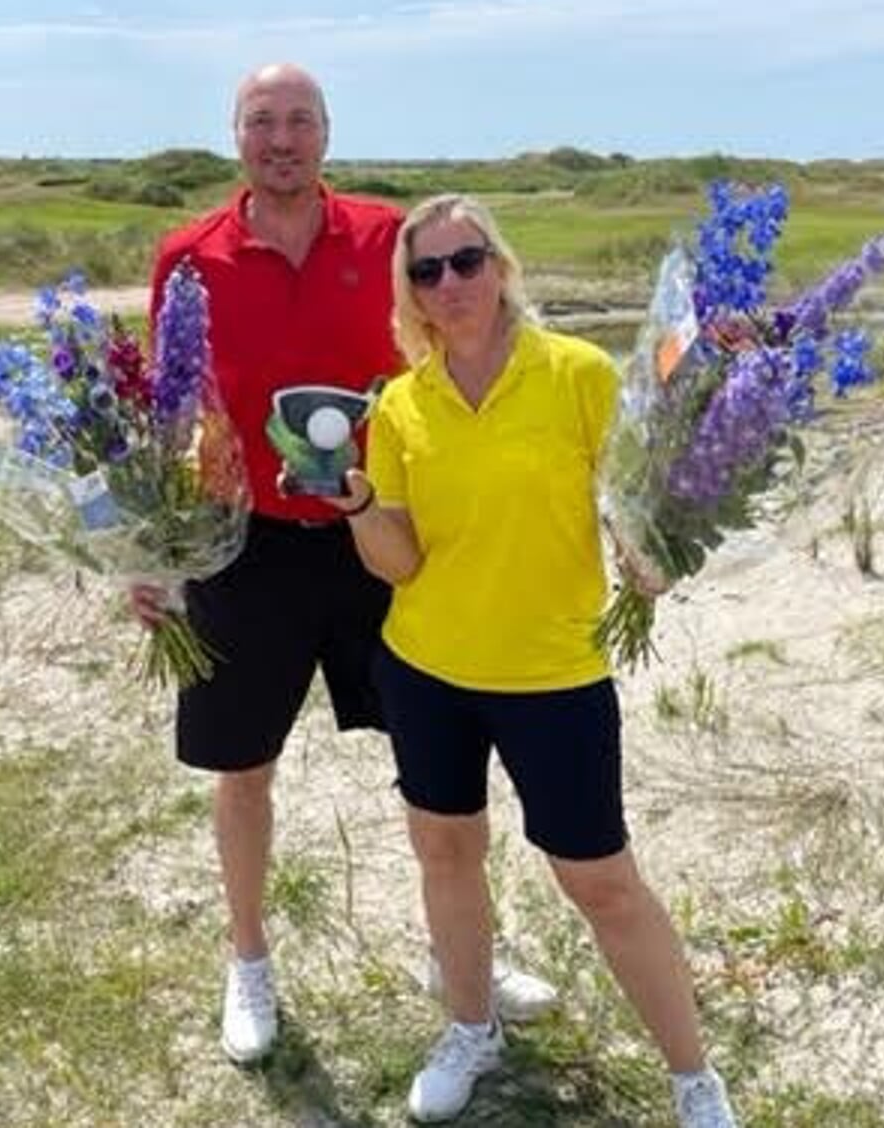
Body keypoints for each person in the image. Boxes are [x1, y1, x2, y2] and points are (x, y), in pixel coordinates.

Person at [135, 64, 556, 1068]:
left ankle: (464, 965)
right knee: (243, 769)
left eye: (300, 122)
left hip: (384, 537)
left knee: (438, 771)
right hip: (245, 546)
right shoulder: (188, 257)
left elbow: (468, 354)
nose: (282, 138)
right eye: (262, 122)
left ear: (327, 134)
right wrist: (151, 554)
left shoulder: (388, 237)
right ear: (236, 136)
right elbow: (165, 408)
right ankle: (248, 964)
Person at [328, 193, 740, 1127]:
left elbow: (637, 502)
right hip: (426, 669)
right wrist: (357, 505)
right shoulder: (400, 404)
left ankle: (692, 1077)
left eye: (465, 261)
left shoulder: (582, 375)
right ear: (412, 295)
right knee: (445, 851)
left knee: (600, 880)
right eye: (425, 272)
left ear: (501, 266)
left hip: (554, 676)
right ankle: (472, 1028)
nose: (450, 284)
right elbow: (402, 562)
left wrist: (654, 558)